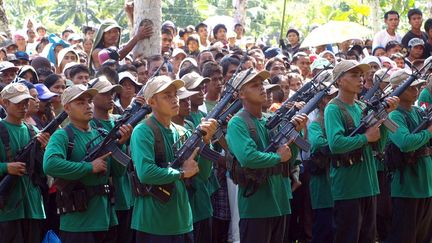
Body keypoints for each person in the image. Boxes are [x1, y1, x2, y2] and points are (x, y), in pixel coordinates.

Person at [129, 75, 217, 242]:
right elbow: (145, 173)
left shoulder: (183, 131)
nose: (174, 99)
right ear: (151, 102)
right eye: (166, 95)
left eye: (175, 94)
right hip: (154, 223)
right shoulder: (143, 131)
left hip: (183, 220)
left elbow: (202, 175)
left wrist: (206, 142)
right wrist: (181, 173)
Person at [226, 69, 308, 242]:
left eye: (262, 84)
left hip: (281, 200)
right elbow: (248, 157)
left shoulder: (271, 118)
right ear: (241, 93)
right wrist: (278, 157)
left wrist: (296, 135)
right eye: (255, 86)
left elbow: (289, 158)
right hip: (257, 205)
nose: (262, 88)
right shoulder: (237, 122)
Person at [43, 84, 132, 243]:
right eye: (80, 102)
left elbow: (118, 173)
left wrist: (120, 145)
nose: (87, 105)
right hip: (78, 222)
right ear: (67, 108)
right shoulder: (63, 136)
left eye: (89, 101)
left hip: (107, 217)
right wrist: (89, 167)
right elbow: (50, 164)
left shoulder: (102, 134)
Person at [324, 60, 399, 243]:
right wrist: (365, 137)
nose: (360, 79)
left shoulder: (361, 107)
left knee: (367, 237)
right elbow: (335, 144)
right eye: (354, 75)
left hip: (369, 183)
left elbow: (378, 146)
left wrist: (383, 120)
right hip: (349, 186)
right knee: (348, 237)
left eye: (360, 75)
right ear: (340, 81)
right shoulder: (334, 108)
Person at [384, 69, 432, 243]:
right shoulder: (394, 115)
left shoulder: (418, 111)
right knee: (405, 237)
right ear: (397, 89)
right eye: (412, 87)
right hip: (407, 187)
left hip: (425, 184)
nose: (416, 90)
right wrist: (429, 132)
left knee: (423, 237)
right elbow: (405, 143)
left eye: (418, 87)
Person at [0, 83, 50, 243]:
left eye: (25, 102)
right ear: (4, 103)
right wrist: (6, 167)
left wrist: (44, 150)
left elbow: (45, 170)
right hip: (7, 209)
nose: (23, 106)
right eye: (18, 102)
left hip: (33, 206)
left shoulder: (35, 131)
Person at [88, 77, 135, 243]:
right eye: (105, 93)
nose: (110, 96)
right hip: (105, 196)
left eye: (112, 93)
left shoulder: (119, 120)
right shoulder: (89, 124)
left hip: (127, 193)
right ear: (92, 97)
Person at [307, 84, 338, 243]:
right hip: (323, 184)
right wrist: (340, 142)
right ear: (319, 102)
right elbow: (318, 143)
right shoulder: (316, 123)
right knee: (324, 229)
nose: (333, 100)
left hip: (338, 184)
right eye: (328, 97)